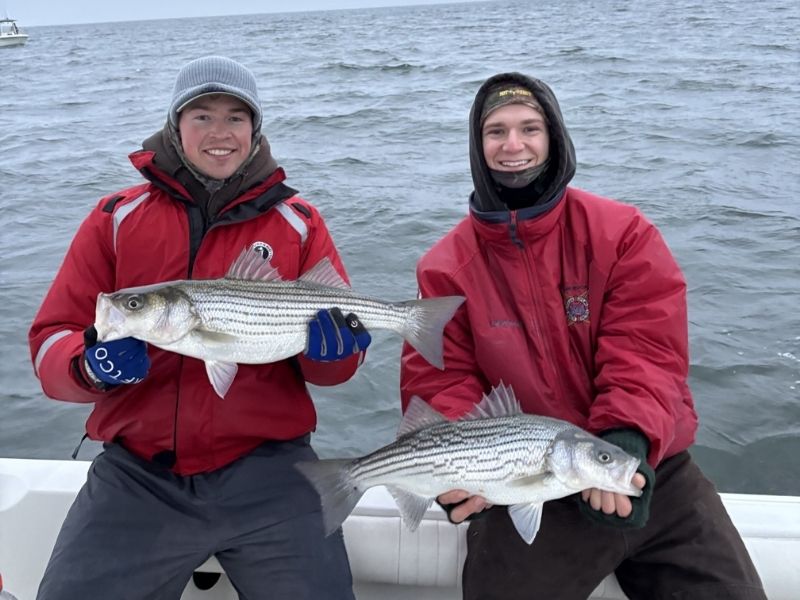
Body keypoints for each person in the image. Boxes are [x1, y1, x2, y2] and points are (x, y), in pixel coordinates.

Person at [400, 72, 767, 599]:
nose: (513, 145)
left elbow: (647, 349)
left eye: (530, 128)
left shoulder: (622, 233)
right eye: (495, 131)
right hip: (525, 477)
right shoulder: (445, 267)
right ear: (477, 147)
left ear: (554, 137)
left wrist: (625, 440)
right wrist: (458, 465)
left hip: (643, 461)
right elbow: (441, 378)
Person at [28, 56, 370, 600]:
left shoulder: (299, 222)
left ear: (255, 132)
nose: (219, 133)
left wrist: (333, 355)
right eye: (201, 116)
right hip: (138, 475)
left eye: (236, 117)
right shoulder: (114, 217)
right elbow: (51, 336)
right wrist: (87, 365)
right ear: (174, 125)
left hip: (272, 470)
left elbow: (337, 370)